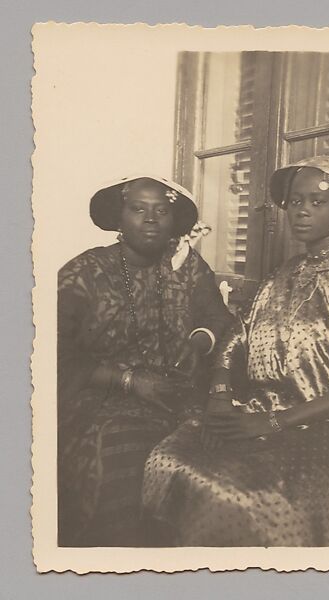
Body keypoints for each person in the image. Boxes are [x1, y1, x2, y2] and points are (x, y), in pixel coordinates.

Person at [142, 156, 329, 547]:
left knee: (247, 498)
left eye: (316, 202)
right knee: (172, 458)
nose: (302, 212)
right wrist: (221, 395)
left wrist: (274, 423)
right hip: (258, 408)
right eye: (295, 201)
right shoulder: (285, 271)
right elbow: (238, 334)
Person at [57, 175, 232, 546]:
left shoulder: (188, 267)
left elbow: (218, 319)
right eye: (138, 209)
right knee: (129, 464)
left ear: (173, 221)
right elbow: (48, 348)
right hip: (105, 400)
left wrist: (199, 342)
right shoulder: (84, 272)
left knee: (223, 461)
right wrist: (128, 381)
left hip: (183, 395)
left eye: (161, 210)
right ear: (119, 218)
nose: (151, 219)